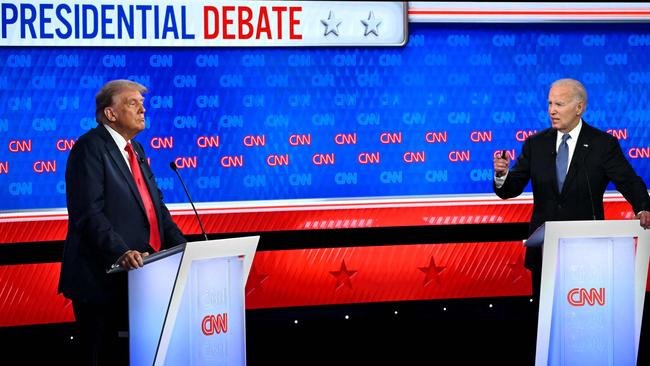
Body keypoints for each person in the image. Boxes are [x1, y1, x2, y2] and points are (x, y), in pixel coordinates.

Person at [58, 79, 186, 365]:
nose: (142, 110)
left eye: (142, 104)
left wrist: (187, 250)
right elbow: (88, 213)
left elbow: (157, 210)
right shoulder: (89, 148)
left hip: (141, 276)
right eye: (132, 103)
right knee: (103, 357)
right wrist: (121, 252)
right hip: (102, 280)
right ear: (110, 114)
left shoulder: (136, 150)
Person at [493, 78, 650, 298]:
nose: (552, 111)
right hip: (545, 250)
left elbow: (629, 181)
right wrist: (502, 175)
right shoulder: (535, 144)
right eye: (549, 104)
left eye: (559, 104)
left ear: (579, 108)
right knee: (544, 318)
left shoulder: (602, 144)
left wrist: (643, 208)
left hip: (586, 249)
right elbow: (510, 188)